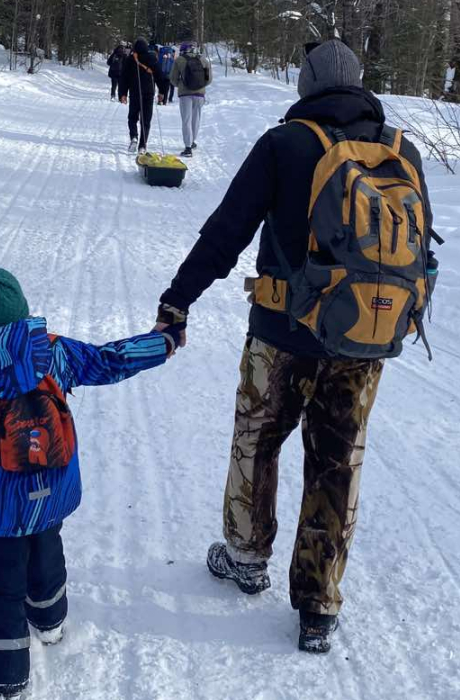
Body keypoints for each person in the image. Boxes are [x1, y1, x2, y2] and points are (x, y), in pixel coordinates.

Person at [153, 40, 433, 654]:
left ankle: (247, 557)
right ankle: (318, 606)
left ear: (305, 86)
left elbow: (225, 233)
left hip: (280, 333)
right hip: (363, 337)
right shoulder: (400, 150)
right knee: (338, 459)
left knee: (258, 438)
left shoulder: (285, 144)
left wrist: (178, 300)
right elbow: (419, 254)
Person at [0, 262, 182, 700]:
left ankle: (2, 691)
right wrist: (161, 342)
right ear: (23, 310)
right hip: (52, 494)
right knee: (46, 554)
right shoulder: (57, 355)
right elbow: (110, 360)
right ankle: (50, 621)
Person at [118, 37, 171, 153]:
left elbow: (123, 78)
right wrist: (162, 92)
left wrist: (123, 94)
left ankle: (134, 137)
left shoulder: (131, 59)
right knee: (146, 120)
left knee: (132, 117)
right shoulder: (152, 58)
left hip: (135, 92)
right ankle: (142, 145)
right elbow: (160, 76)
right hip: (148, 92)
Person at [169, 43, 212, 157]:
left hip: (185, 94)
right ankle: (192, 142)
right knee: (196, 119)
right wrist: (200, 86)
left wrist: (182, 85)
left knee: (186, 120)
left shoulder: (179, 60)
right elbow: (209, 79)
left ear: (182, 50)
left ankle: (188, 148)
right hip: (200, 94)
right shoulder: (203, 60)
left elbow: (173, 79)